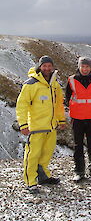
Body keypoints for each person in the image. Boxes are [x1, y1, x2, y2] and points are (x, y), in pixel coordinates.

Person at [16, 56, 66, 194]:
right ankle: (30, 181)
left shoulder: (54, 84)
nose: (47, 68)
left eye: (49, 66)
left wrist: (61, 120)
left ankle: (43, 177)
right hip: (36, 127)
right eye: (44, 66)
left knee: (46, 154)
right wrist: (23, 124)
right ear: (40, 66)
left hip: (51, 127)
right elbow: (22, 105)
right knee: (32, 155)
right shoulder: (31, 84)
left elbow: (58, 105)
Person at [65, 57, 91, 182]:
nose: (85, 69)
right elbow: (67, 97)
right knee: (78, 146)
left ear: (90, 67)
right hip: (77, 118)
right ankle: (79, 172)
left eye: (87, 67)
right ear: (79, 67)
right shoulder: (72, 80)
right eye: (83, 66)